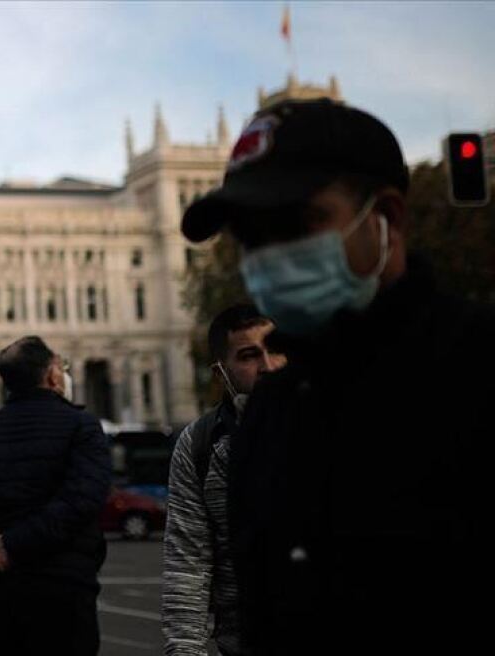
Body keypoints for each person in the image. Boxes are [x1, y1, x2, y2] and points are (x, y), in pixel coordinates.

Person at [181, 98, 494, 653]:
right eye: (252, 236)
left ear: (387, 218)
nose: (271, 254)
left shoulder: (474, 369)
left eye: (298, 223)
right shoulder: (267, 415)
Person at [0, 336, 111, 656]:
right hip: (65, 585)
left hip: (0, 589)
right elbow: (81, 501)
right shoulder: (81, 427)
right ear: (52, 375)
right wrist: (8, 546)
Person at [162, 305, 286, 656]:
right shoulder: (200, 443)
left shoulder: (332, 420)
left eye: (276, 349)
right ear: (222, 372)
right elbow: (188, 563)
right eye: (249, 356)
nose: (269, 366)